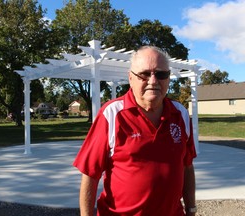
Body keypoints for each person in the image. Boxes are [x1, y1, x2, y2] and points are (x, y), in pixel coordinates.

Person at [73, 46, 197, 216]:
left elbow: (187, 165)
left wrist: (191, 208)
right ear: (131, 78)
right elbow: (90, 174)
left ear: (168, 79)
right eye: (145, 74)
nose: (153, 81)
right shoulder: (112, 114)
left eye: (161, 74)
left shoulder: (180, 114)